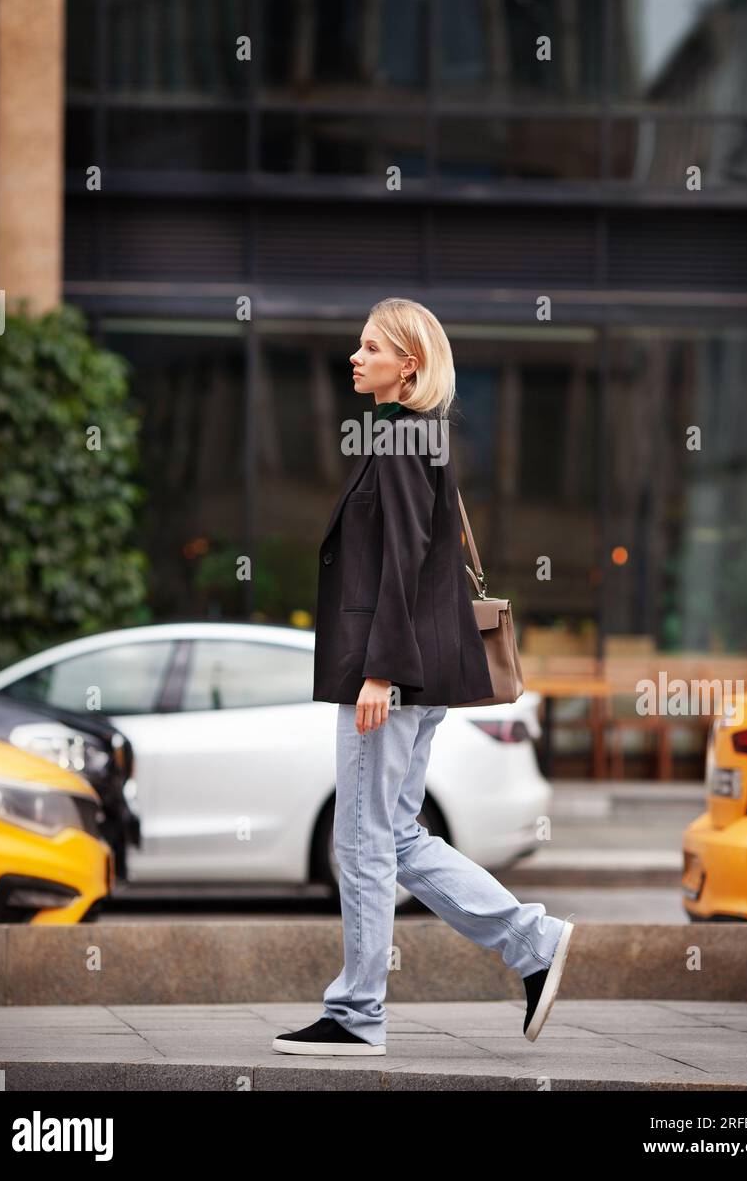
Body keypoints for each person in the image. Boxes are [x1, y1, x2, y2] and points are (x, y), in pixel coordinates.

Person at [273, 297, 574, 1057]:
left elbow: (402, 563)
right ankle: (533, 942)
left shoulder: (404, 438)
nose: (355, 355)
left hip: (392, 677)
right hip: (415, 673)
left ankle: (356, 1015)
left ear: (408, 364)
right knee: (397, 836)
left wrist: (379, 674)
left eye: (370, 346)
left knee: (364, 841)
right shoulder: (408, 436)